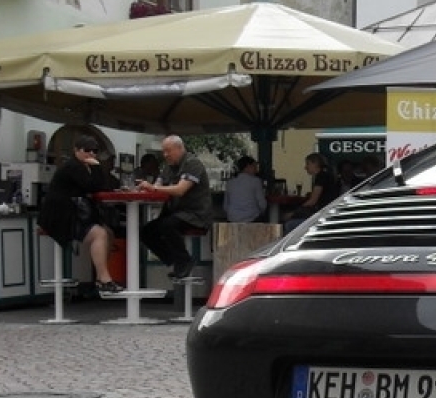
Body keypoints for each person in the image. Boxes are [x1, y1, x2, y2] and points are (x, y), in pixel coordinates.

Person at [35, 125, 124, 296]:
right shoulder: (73, 167)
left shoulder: (82, 166)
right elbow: (94, 185)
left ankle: (100, 278)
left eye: (95, 151)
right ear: (77, 150)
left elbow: (99, 187)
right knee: (100, 233)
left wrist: (95, 168)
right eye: (87, 150)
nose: (91, 154)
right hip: (59, 217)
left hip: (71, 212)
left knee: (109, 233)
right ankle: (104, 280)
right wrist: (97, 166)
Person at [136, 134, 213, 279]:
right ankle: (177, 260)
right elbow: (159, 183)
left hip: (195, 214)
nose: (165, 155)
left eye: (168, 151)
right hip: (176, 213)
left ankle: (184, 261)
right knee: (146, 232)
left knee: (167, 226)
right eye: (164, 151)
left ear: (179, 148)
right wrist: (147, 188)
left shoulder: (192, 163)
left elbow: (180, 190)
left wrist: (153, 188)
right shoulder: (168, 167)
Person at [282, 152, 338, 234]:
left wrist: (294, 213)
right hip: (327, 215)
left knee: (289, 225)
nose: (305, 167)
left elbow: (312, 201)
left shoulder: (321, 177)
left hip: (322, 217)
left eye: (308, 164)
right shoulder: (326, 175)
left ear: (315, 163)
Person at [223, 154, 268, 223]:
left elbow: (226, 206)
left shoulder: (230, 182)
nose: (256, 169)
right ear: (247, 167)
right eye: (254, 166)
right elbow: (262, 204)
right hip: (251, 219)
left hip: (232, 219)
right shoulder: (255, 181)